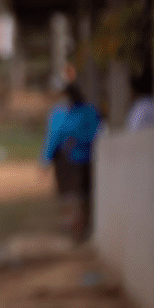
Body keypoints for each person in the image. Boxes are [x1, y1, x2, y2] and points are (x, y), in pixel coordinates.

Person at [41, 82, 100, 243]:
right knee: (70, 196)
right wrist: (45, 160)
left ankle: (81, 228)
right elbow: (52, 138)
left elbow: (95, 134)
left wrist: (77, 141)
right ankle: (74, 228)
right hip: (65, 162)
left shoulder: (87, 112)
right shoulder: (59, 113)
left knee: (81, 196)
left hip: (83, 162)